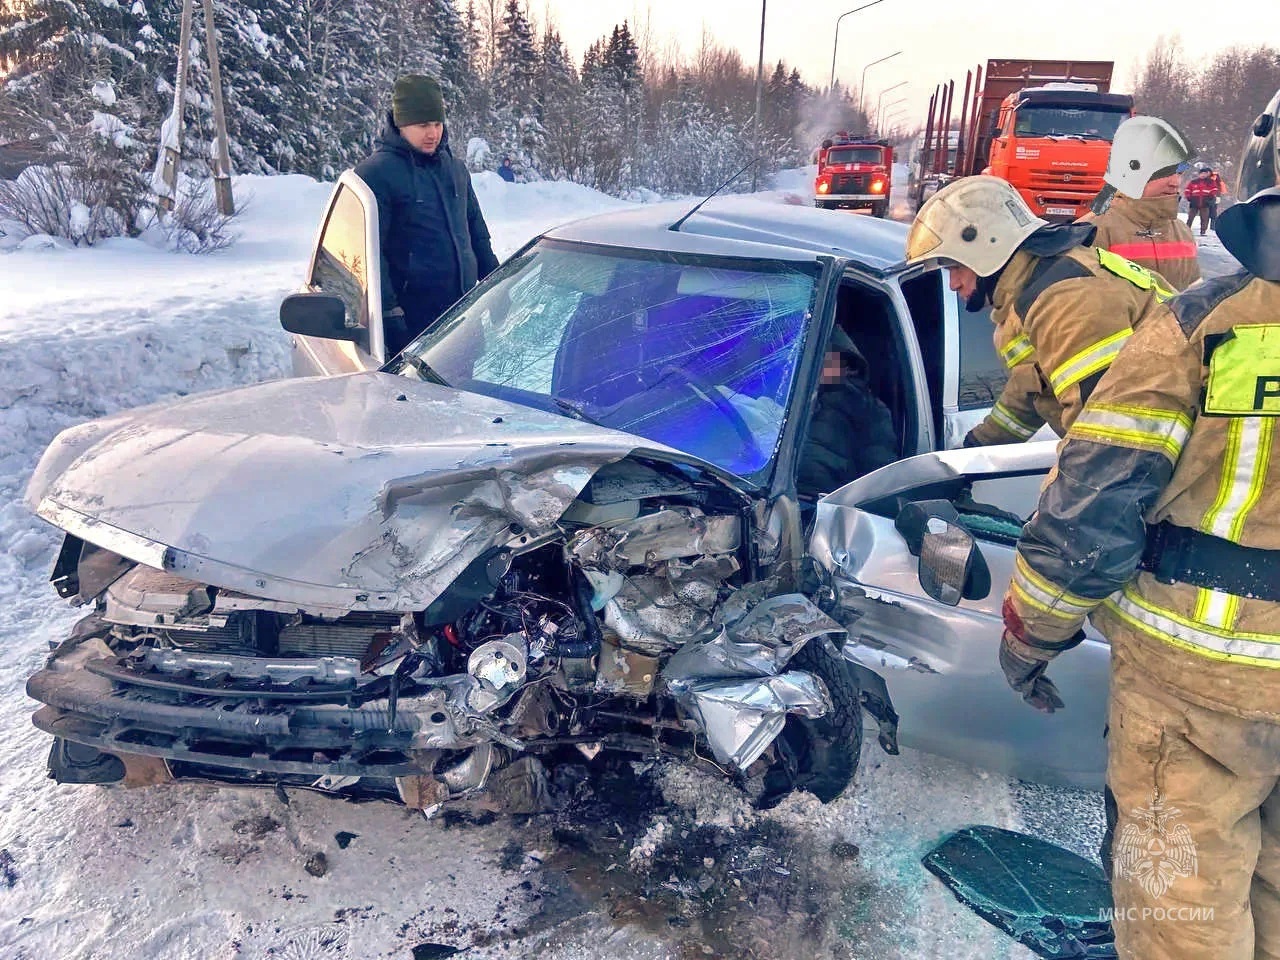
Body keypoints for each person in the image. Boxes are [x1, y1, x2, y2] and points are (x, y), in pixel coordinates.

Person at [995, 88, 1280, 960]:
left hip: (1204, 688)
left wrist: (1029, 636)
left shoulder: (1209, 326)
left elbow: (1094, 498)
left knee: (1183, 918)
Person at [905, 175, 1170, 448]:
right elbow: (1031, 388)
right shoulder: (1030, 294)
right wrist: (979, 446)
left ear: (987, 246)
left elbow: (1104, 438)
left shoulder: (1068, 300)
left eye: (955, 268)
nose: (953, 284)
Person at [355, 74, 499, 357]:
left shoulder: (455, 169)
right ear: (401, 124)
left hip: (461, 316)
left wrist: (496, 283)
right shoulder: (376, 174)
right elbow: (371, 254)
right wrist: (389, 313)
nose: (432, 133)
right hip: (411, 324)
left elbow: (475, 231)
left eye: (437, 123)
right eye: (422, 125)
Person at [1080, 116, 1200, 291]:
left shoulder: (1183, 232)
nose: (1175, 182)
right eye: (1165, 171)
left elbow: (1194, 295)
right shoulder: (1090, 231)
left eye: (1180, 172)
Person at [796, 325, 898, 499]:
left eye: (825, 357)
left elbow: (880, 479)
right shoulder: (783, 400)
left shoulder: (868, 410)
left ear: (848, 366)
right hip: (772, 498)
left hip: (821, 506)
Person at [1184, 165, 1217, 236]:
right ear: (1199, 174)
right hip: (1194, 202)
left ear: (1207, 174)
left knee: (1204, 218)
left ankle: (1203, 231)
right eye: (1202, 173)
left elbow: (1214, 190)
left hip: (1205, 203)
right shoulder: (1193, 182)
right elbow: (1187, 190)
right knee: (1190, 217)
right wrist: (1188, 197)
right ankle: (1186, 230)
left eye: (1205, 174)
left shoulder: (1210, 182)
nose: (1203, 175)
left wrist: (1210, 197)